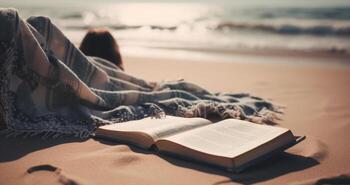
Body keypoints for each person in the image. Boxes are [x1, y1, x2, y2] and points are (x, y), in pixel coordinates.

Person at [0, 8, 279, 138]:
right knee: (36, 23)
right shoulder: (110, 75)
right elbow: (145, 87)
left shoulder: (83, 67)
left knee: (33, 25)